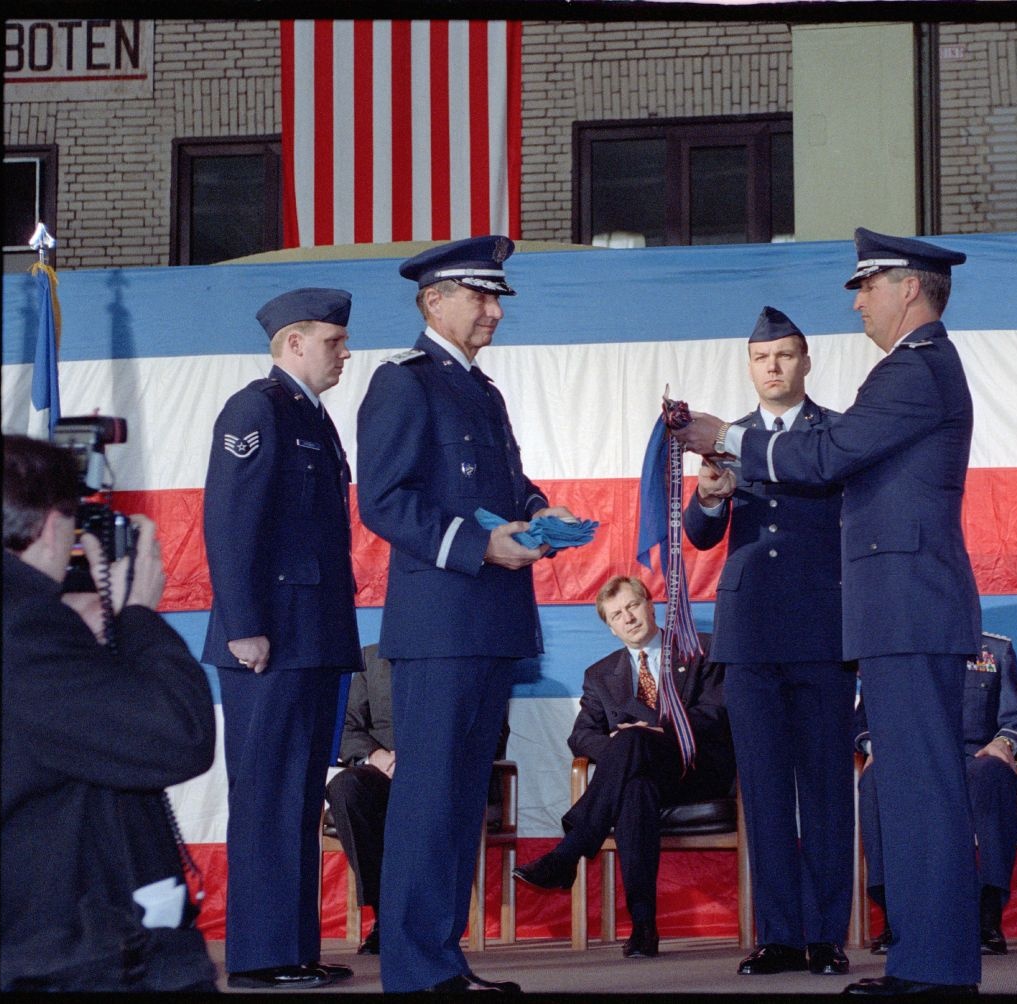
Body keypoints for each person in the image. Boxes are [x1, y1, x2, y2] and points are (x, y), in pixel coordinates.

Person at [673, 228, 983, 995]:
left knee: (922, 794)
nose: (857, 299)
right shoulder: (913, 370)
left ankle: (936, 967)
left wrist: (727, 437)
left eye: (866, 284)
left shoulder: (912, 372)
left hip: (905, 612)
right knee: (910, 794)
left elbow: (823, 456)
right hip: (890, 614)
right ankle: (922, 961)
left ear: (908, 287)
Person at [358, 234, 580, 994]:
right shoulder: (404, 383)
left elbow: (508, 484)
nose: (493, 311)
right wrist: (481, 546)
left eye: (496, 299)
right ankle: (415, 969)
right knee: (428, 798)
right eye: (481, 297)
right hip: (442, 622)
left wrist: (541, 513)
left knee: (459, 800)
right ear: (434, 301)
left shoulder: (482, 391)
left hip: (489, 623)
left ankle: (441, 962)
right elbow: (384, 502)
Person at [1, 434, 217, 991]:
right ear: (53, 526)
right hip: (61, 956)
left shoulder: (31, 624)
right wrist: (139, 615)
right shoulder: (23, 630)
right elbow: (177, 734)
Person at [680, 306, 853, 977]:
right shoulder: (727, 439)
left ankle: (827, 935)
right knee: (765, 790)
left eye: (784, 355)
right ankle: (779, 934)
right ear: (749, 367)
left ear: (807, 362)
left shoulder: (836, 434)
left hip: (823, 631)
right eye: (761, 358)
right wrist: (711, 495)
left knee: (827, 791)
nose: (773, 367)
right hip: (749, 636)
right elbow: (698, 536)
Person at [202, 287, 362, 990]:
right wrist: (244, 626)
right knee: (268, 796)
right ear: (294, 342)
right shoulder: (256, 410)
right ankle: (262, 956)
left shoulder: (314, 419)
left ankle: (291, 950)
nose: (345, 353)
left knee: (298, 797)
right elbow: (231, 522)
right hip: (268, 638)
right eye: (332, 341)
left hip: (314, 634)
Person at [511, 576, 735, 960]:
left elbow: (714, 715)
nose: (628, 618)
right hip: (642, 776)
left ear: (650, 605)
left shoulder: (700, 651)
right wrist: (621, 745)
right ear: (611, 628)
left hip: (697, 772)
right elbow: (581, 738)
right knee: (634, 787)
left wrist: (653, 730)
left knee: (633, 741)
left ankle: (571, 851)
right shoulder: (600, 675)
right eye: (617, 615)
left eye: (632, 606)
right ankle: (644, 926)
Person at [855, 631, 1017, 957]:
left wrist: (1003, 743)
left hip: (973, 761)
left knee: (993, 773)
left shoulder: (995, 651)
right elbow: (863, 723)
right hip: (911, 761)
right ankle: (895, 917)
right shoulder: (891, 650)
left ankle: (986, 917)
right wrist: (874, 744)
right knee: (876, 779)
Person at [324, 645, 512, 955]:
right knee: (346, 789)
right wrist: (377, 756)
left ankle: (416, 921)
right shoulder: (369, 660)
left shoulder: (467, 659)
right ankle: (388, 914)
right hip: (385, 773)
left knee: (424, 801)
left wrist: (427, 762)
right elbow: (346, 728)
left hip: (441, 776)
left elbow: (492, 733)